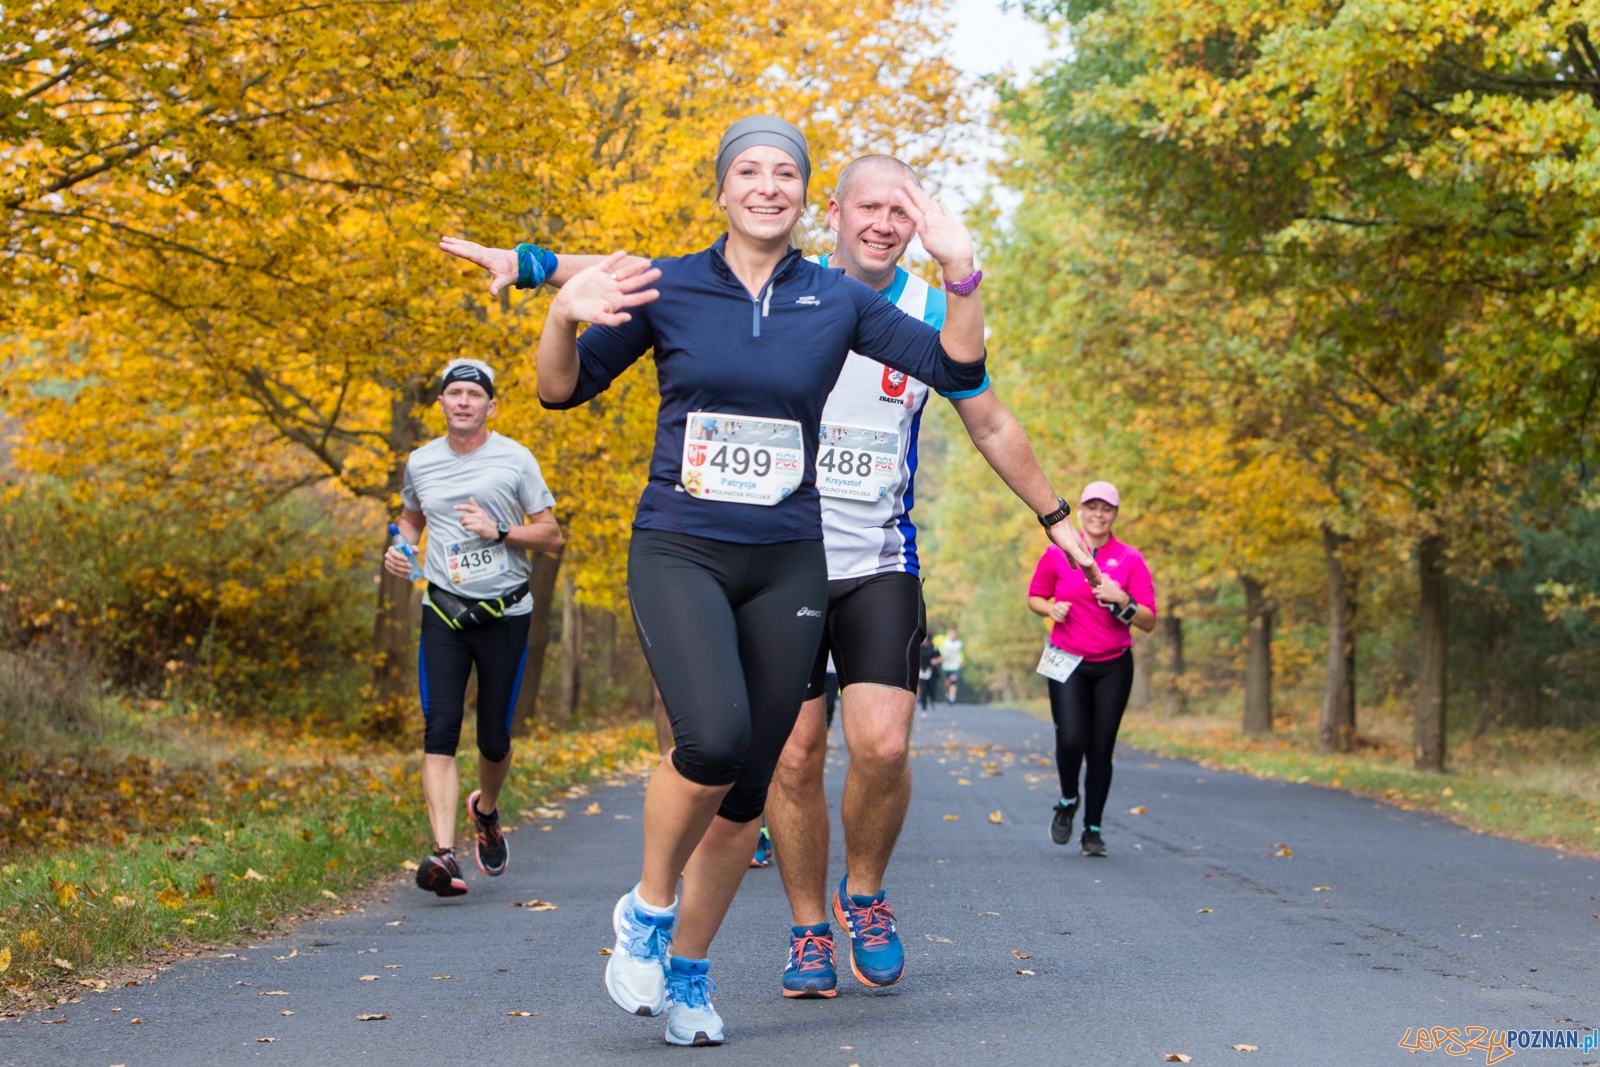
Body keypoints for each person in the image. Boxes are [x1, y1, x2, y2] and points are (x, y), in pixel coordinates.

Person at [442, 115, 1095, 1047]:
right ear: (742, 194)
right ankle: (702, 918)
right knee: (737, 746)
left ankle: (745, 947)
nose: (768, 186)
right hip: (700, 544)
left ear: (811, 197)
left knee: (810, 768)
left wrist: (963, 274)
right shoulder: (712, 280)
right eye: (748, 171)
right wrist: (541, 280)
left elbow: (969, 384)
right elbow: (600, 338)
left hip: (821, 556)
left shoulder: (852, 304)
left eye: (785, 173)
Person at [763, 154, 1103, 1001]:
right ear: (832, 211)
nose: (883, 225)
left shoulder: (931, 310)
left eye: (901, 213)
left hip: (879, 560)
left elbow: (988, 420)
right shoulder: (778, 286)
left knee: (882, 746)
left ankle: (864, 896)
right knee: (795, 755)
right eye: (868, 208)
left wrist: (1056, 517)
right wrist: (540, 268)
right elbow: (672, 293)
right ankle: (807, 930)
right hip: (780, 559)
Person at [384, 360, 564, 896]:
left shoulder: (516, 459)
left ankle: (485, 811)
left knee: (493, 739)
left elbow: (551, 535)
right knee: (440, 728)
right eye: (454, 393)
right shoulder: (421, 462)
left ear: (491, 405)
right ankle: (444, 854)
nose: (463, 401)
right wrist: (401, 546)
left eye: (474, 394)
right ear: (441, 403)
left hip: (505, 613)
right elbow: (411, 517)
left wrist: (500, 529)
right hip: (443, 610)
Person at [1027, 481, 1156, 857]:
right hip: (1066, 659)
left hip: (1113, 664)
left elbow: (1149, 620)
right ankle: (1068, 800)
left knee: (1101, 748)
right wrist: (1050, 609)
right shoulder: (1058, 552)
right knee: (1070, 739)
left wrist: (1123, 599)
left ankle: (1093, 831)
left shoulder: (1130, 559)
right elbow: (1035, 596)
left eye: (1107, 508)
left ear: (1115, 515)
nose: (1099, 514)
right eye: (1093, 507)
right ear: (1080, 511)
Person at [937, 626, 964, 704]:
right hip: (946, 666)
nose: (954, 635)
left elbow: (960, 653)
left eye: (955, 634)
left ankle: (952, 698)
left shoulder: (959, 643)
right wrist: (942, 656)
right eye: (952, 634)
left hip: (955, 666)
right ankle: (947, 695)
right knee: (947, 682)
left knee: (953, 681)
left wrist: (961, 660)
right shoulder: (945, 643)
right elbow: (940, 652)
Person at [917, 635, 941, 711]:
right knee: (923, 689)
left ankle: (931, 698)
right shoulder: (920, 648)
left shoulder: (934, 648)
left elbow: (940, 657)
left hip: (931, 671)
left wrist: (936, 661)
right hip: (922, 670)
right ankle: (924, 708)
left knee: (931, 688)